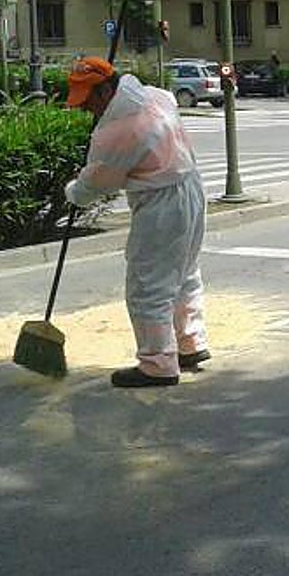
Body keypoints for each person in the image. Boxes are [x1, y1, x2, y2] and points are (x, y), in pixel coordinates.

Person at [64, 56, 210, 388]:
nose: (86, 109)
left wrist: (74, 192)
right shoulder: (155, 96)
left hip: (161, 204)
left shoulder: (118, 131)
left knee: (148, 285)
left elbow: (98, 183)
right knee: (184, 273)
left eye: (87, 101)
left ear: (105, 92)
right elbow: (168, 100)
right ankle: (190, 343)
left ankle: (157, 364)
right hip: (190, 186)